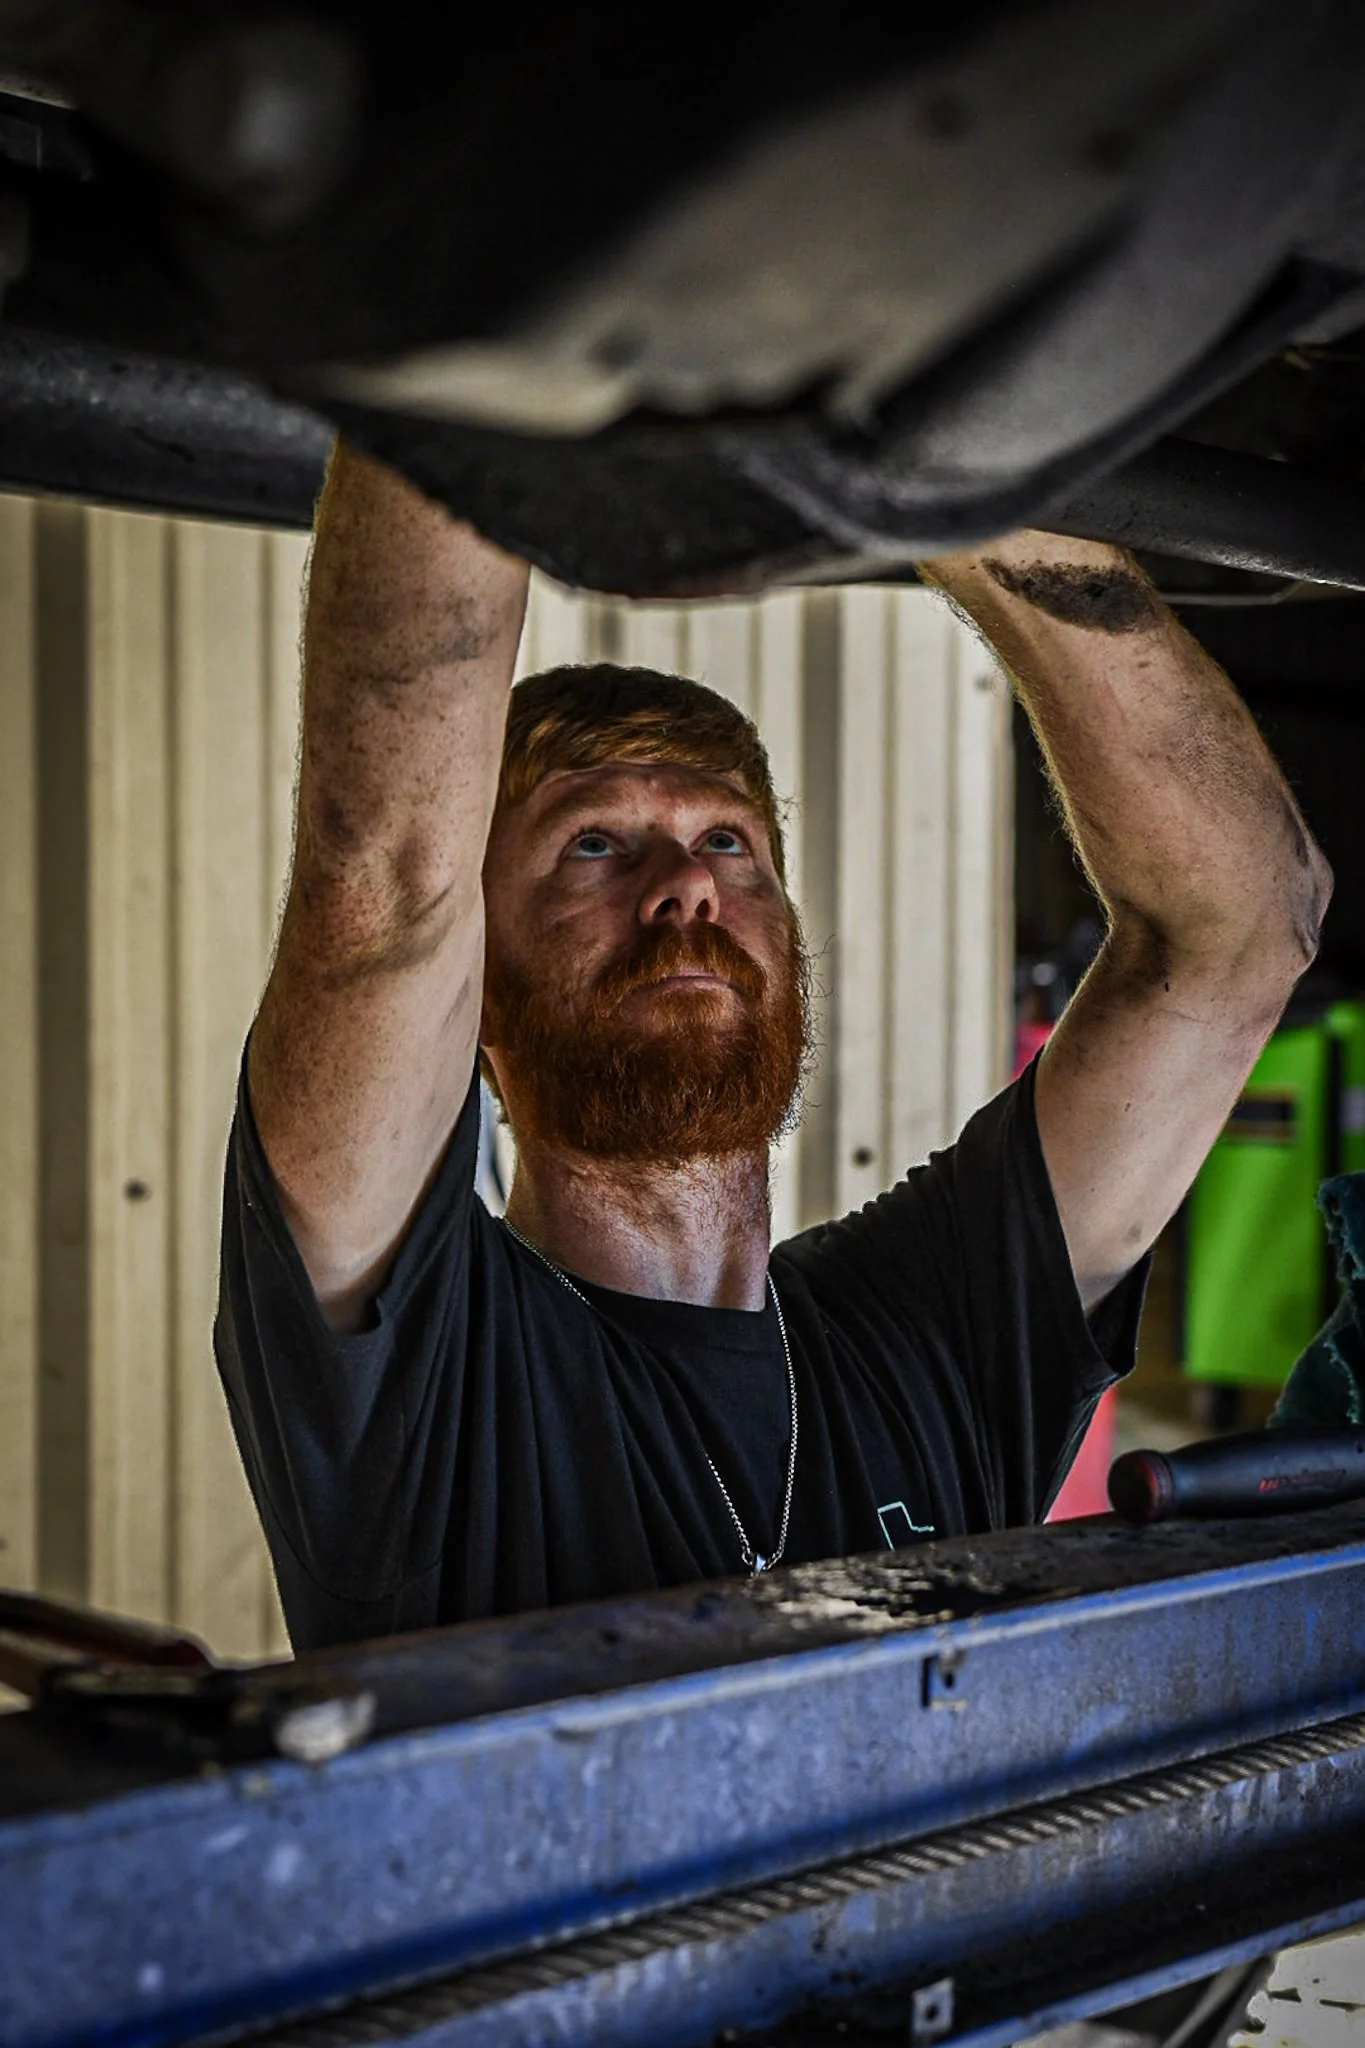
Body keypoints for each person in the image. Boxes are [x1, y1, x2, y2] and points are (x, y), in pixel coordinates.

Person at [215, 441, 1331, 1651]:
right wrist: (498, 350)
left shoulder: (930, 1331)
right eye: (594, 841)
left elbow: (1243, 925)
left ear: (792, 941)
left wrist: (953, 468)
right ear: (470, 985)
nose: (684, 880)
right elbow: (383, 899)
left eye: (730, 841)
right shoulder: (421, 1355)